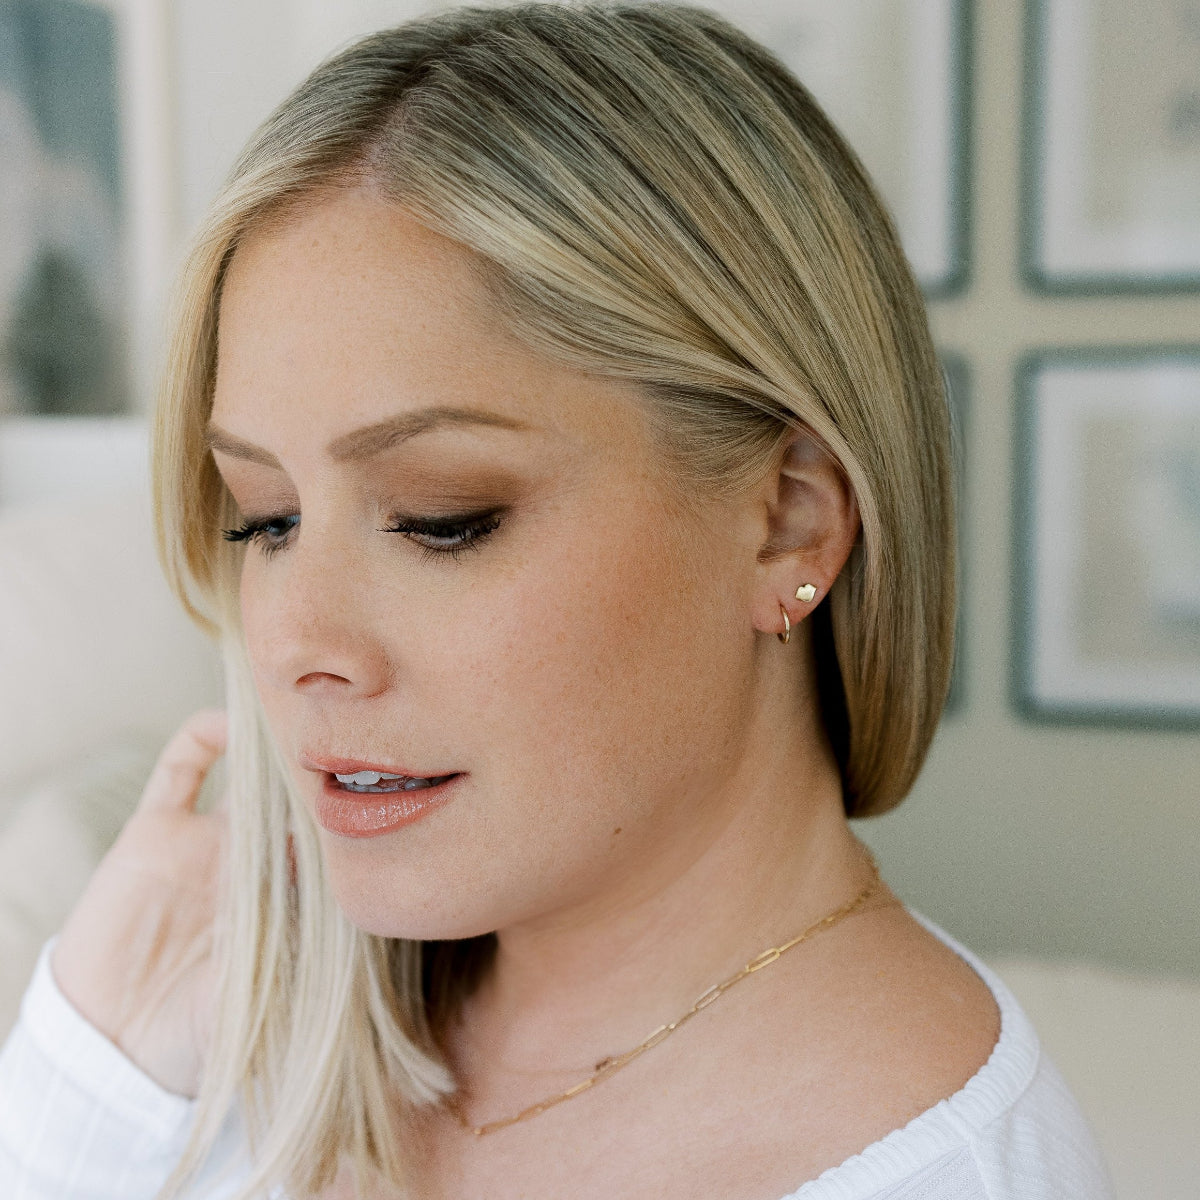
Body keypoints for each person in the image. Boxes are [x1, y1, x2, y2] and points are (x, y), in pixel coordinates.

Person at [0, 3, 1115, 1198]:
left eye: (442, 519)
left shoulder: (945, 1176)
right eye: (264, 518)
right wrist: (85, 1088)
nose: (298, 645)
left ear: (790, 519)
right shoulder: (199, 1041)